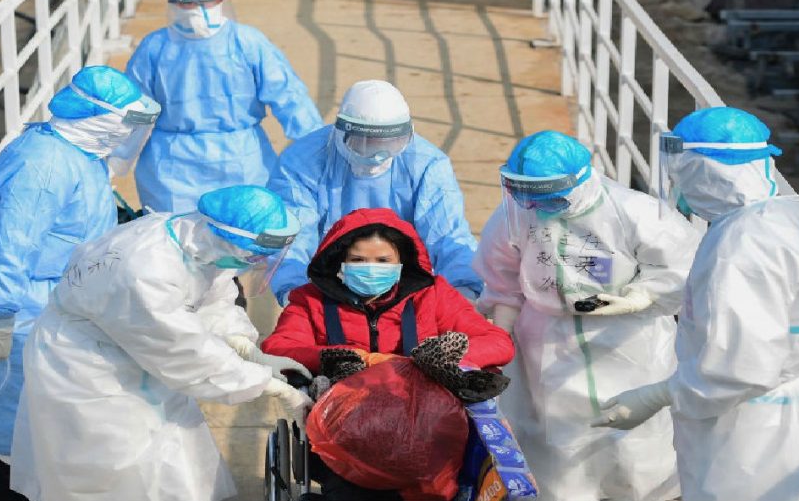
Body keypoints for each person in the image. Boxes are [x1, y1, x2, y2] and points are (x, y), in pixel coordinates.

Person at [591, 107, 799, 501]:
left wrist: (658, 395)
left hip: (753, 431)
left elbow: (741, 367)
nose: (678, 187)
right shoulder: (787, 215)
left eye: (682, 174)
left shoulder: (742, 246)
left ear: (706, 172)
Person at [9, 186, 313, 501]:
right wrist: (270, 385)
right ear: (225, 237)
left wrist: (243, 346)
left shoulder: (198, 243)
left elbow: (212, 299)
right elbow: (186, 353)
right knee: (109, 473)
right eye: (253, 256)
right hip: (87, 371)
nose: (254, 262)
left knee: (171, 466)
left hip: (139, 358)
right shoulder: (145, 270)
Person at [0, 65, 159, 501]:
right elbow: (9, 248)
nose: (125, 136)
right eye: (122, 125)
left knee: (45, 429)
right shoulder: (43, 167)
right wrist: (0, 320)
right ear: (97, 119)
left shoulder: (78, 153)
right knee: (12, 439)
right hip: (19, 310)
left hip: (50, 302)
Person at [473, 130, 702, 501]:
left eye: (547, 195)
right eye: (528, 196)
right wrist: (500, 337)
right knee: (558, 445)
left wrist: (641, 297)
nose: (537, 205)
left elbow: (683, 267)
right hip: (546, 342)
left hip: (628, 341)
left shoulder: (632, 211)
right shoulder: (517, 212)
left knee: (637, 446)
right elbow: (502, 278)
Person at [262, 207, 514, 500]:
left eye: (383, 261)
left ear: (401, 262)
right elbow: (278, 346)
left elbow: (498, 343)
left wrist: (444, 356)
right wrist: (333, 357)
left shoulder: (433, 295)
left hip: (428, 427)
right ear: (340, 261)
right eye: (358, 260)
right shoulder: (311, 300)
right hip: (345, 430)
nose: (371, 268)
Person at [267, 80, 482, 306]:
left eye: (390, 143)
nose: (377, 155)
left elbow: (446, 234)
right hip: (327, 285)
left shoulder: (427, 164)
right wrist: (295, 294)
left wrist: (464, 291)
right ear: (341, 132)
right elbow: (293, 235)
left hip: (405, 284)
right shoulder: (303, 162)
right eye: (364, 143)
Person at [126, 0, 323, 213]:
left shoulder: (247, 43)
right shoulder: (154, 47)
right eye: (187, 2)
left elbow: (289, 97)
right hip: (227, 162)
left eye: (203, 1)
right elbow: (132, 108)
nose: (195, 8)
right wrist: (114, 158)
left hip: (177, 167)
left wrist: (316, 149)